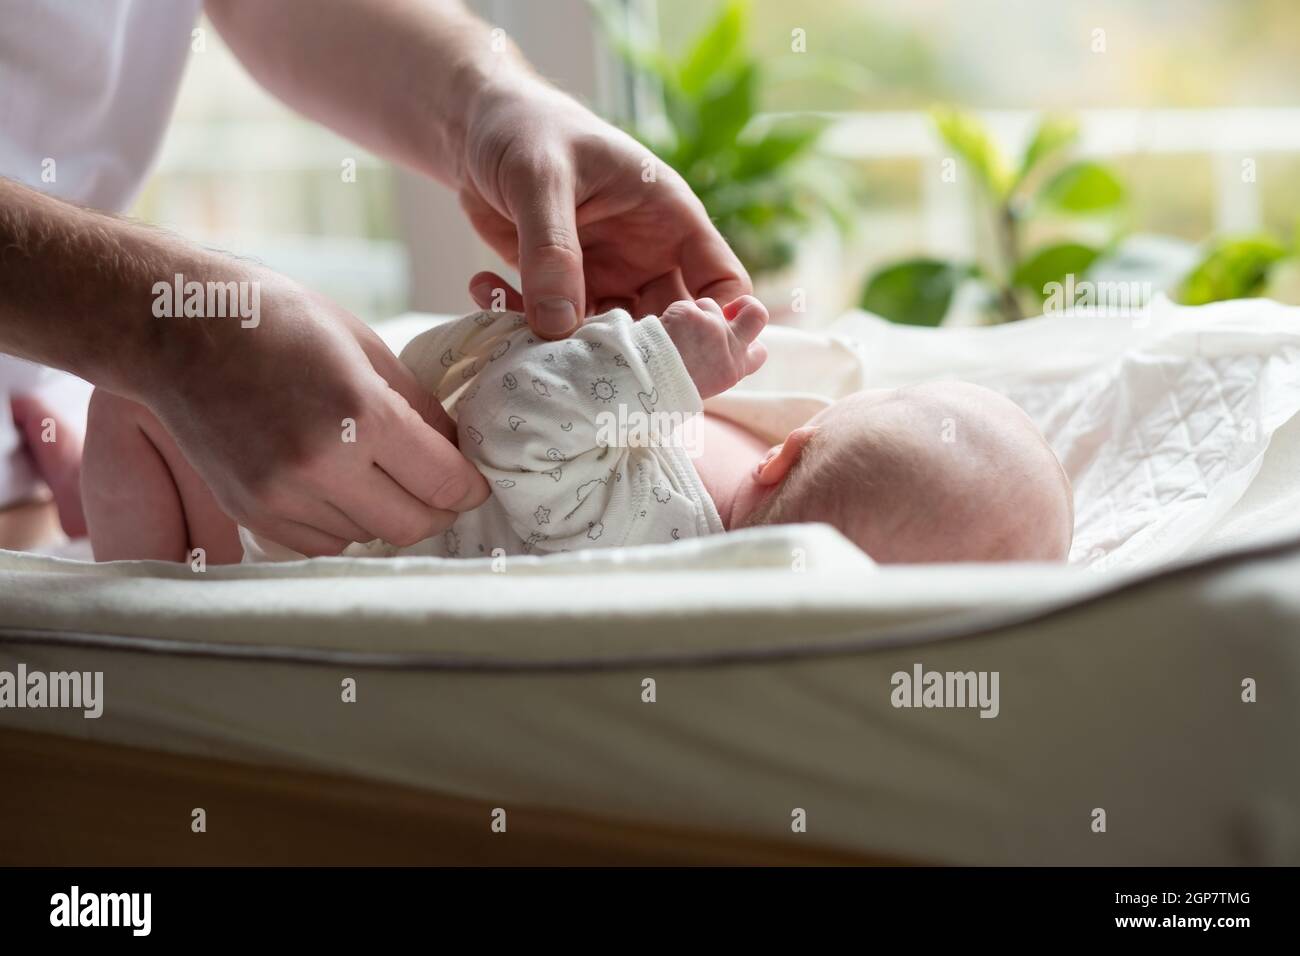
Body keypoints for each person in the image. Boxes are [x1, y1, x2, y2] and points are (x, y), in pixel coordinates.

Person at [0, 0, 751, 556]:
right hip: (97, 378)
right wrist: (149, 327)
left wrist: (489, 101)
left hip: (62, 414)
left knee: (135, 492)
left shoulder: (693, 525)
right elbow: (520, 419)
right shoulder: (731, 467)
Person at [87, 287, 1074, 565]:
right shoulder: (717, 477)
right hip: (364, 419)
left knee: (128, 401)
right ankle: (76, 487)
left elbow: (516, 428)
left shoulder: (656, 530)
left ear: (784, 459)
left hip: (281, 513)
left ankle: (117, 572)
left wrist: (652, 364)